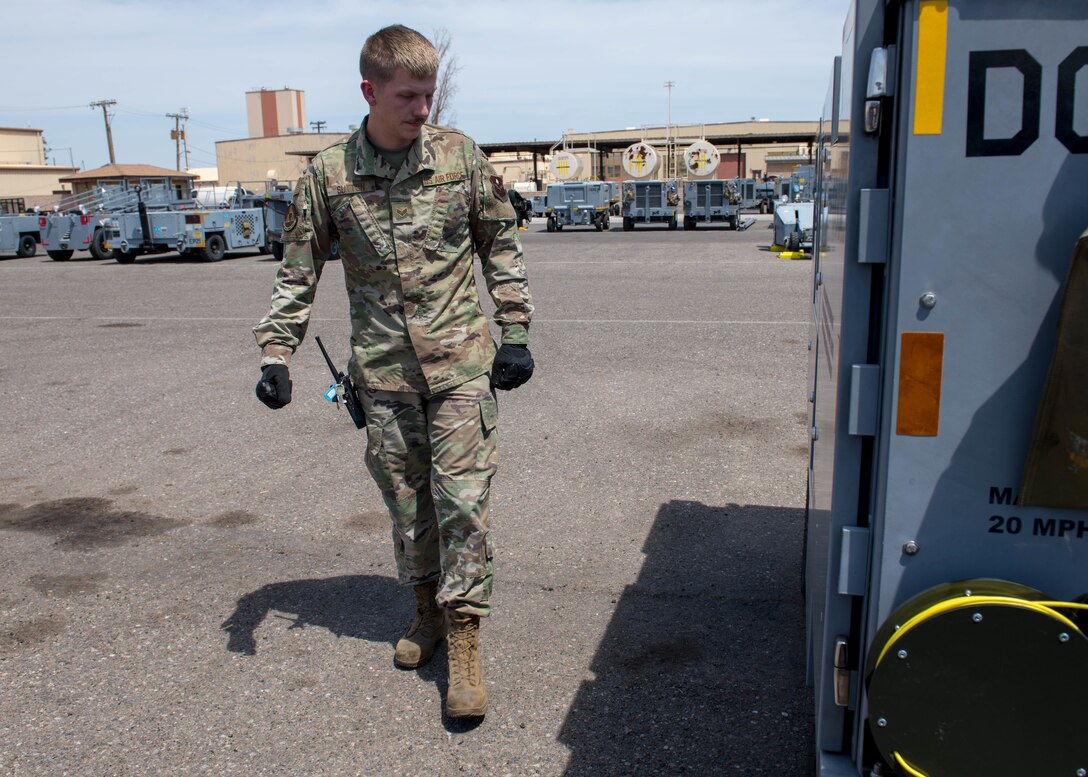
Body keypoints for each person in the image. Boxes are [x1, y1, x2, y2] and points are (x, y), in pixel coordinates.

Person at [252, 24, 534, 719]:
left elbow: (500, 243)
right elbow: (298, 269)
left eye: (429, 93)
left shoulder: (460, 158)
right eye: (408, 95)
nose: (421, 109)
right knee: (410, 511)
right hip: (382, 376)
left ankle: (465, 638)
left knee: (464, 503)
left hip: (463, 367)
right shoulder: (329, 176)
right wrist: (275, 352)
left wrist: (516, 329)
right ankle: (425, 612)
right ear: (369, 92)